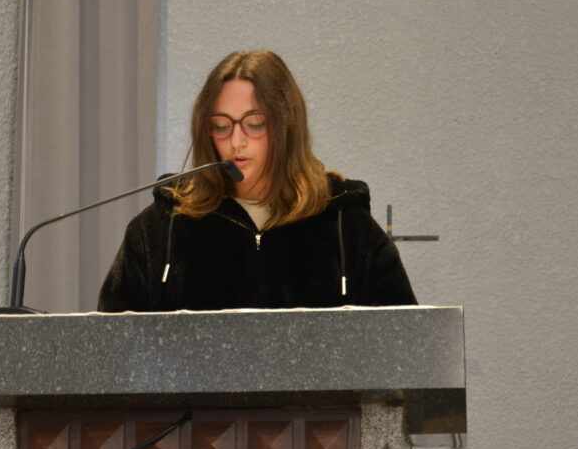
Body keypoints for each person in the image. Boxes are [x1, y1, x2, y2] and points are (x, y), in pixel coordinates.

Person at [98, 50, 416, 312]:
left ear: (286, 126)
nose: (236, 141)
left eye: (254, 123)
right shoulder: (161, 228)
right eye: (221, 125)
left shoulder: (347, 225)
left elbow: (405, 352)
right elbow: (111, 352)